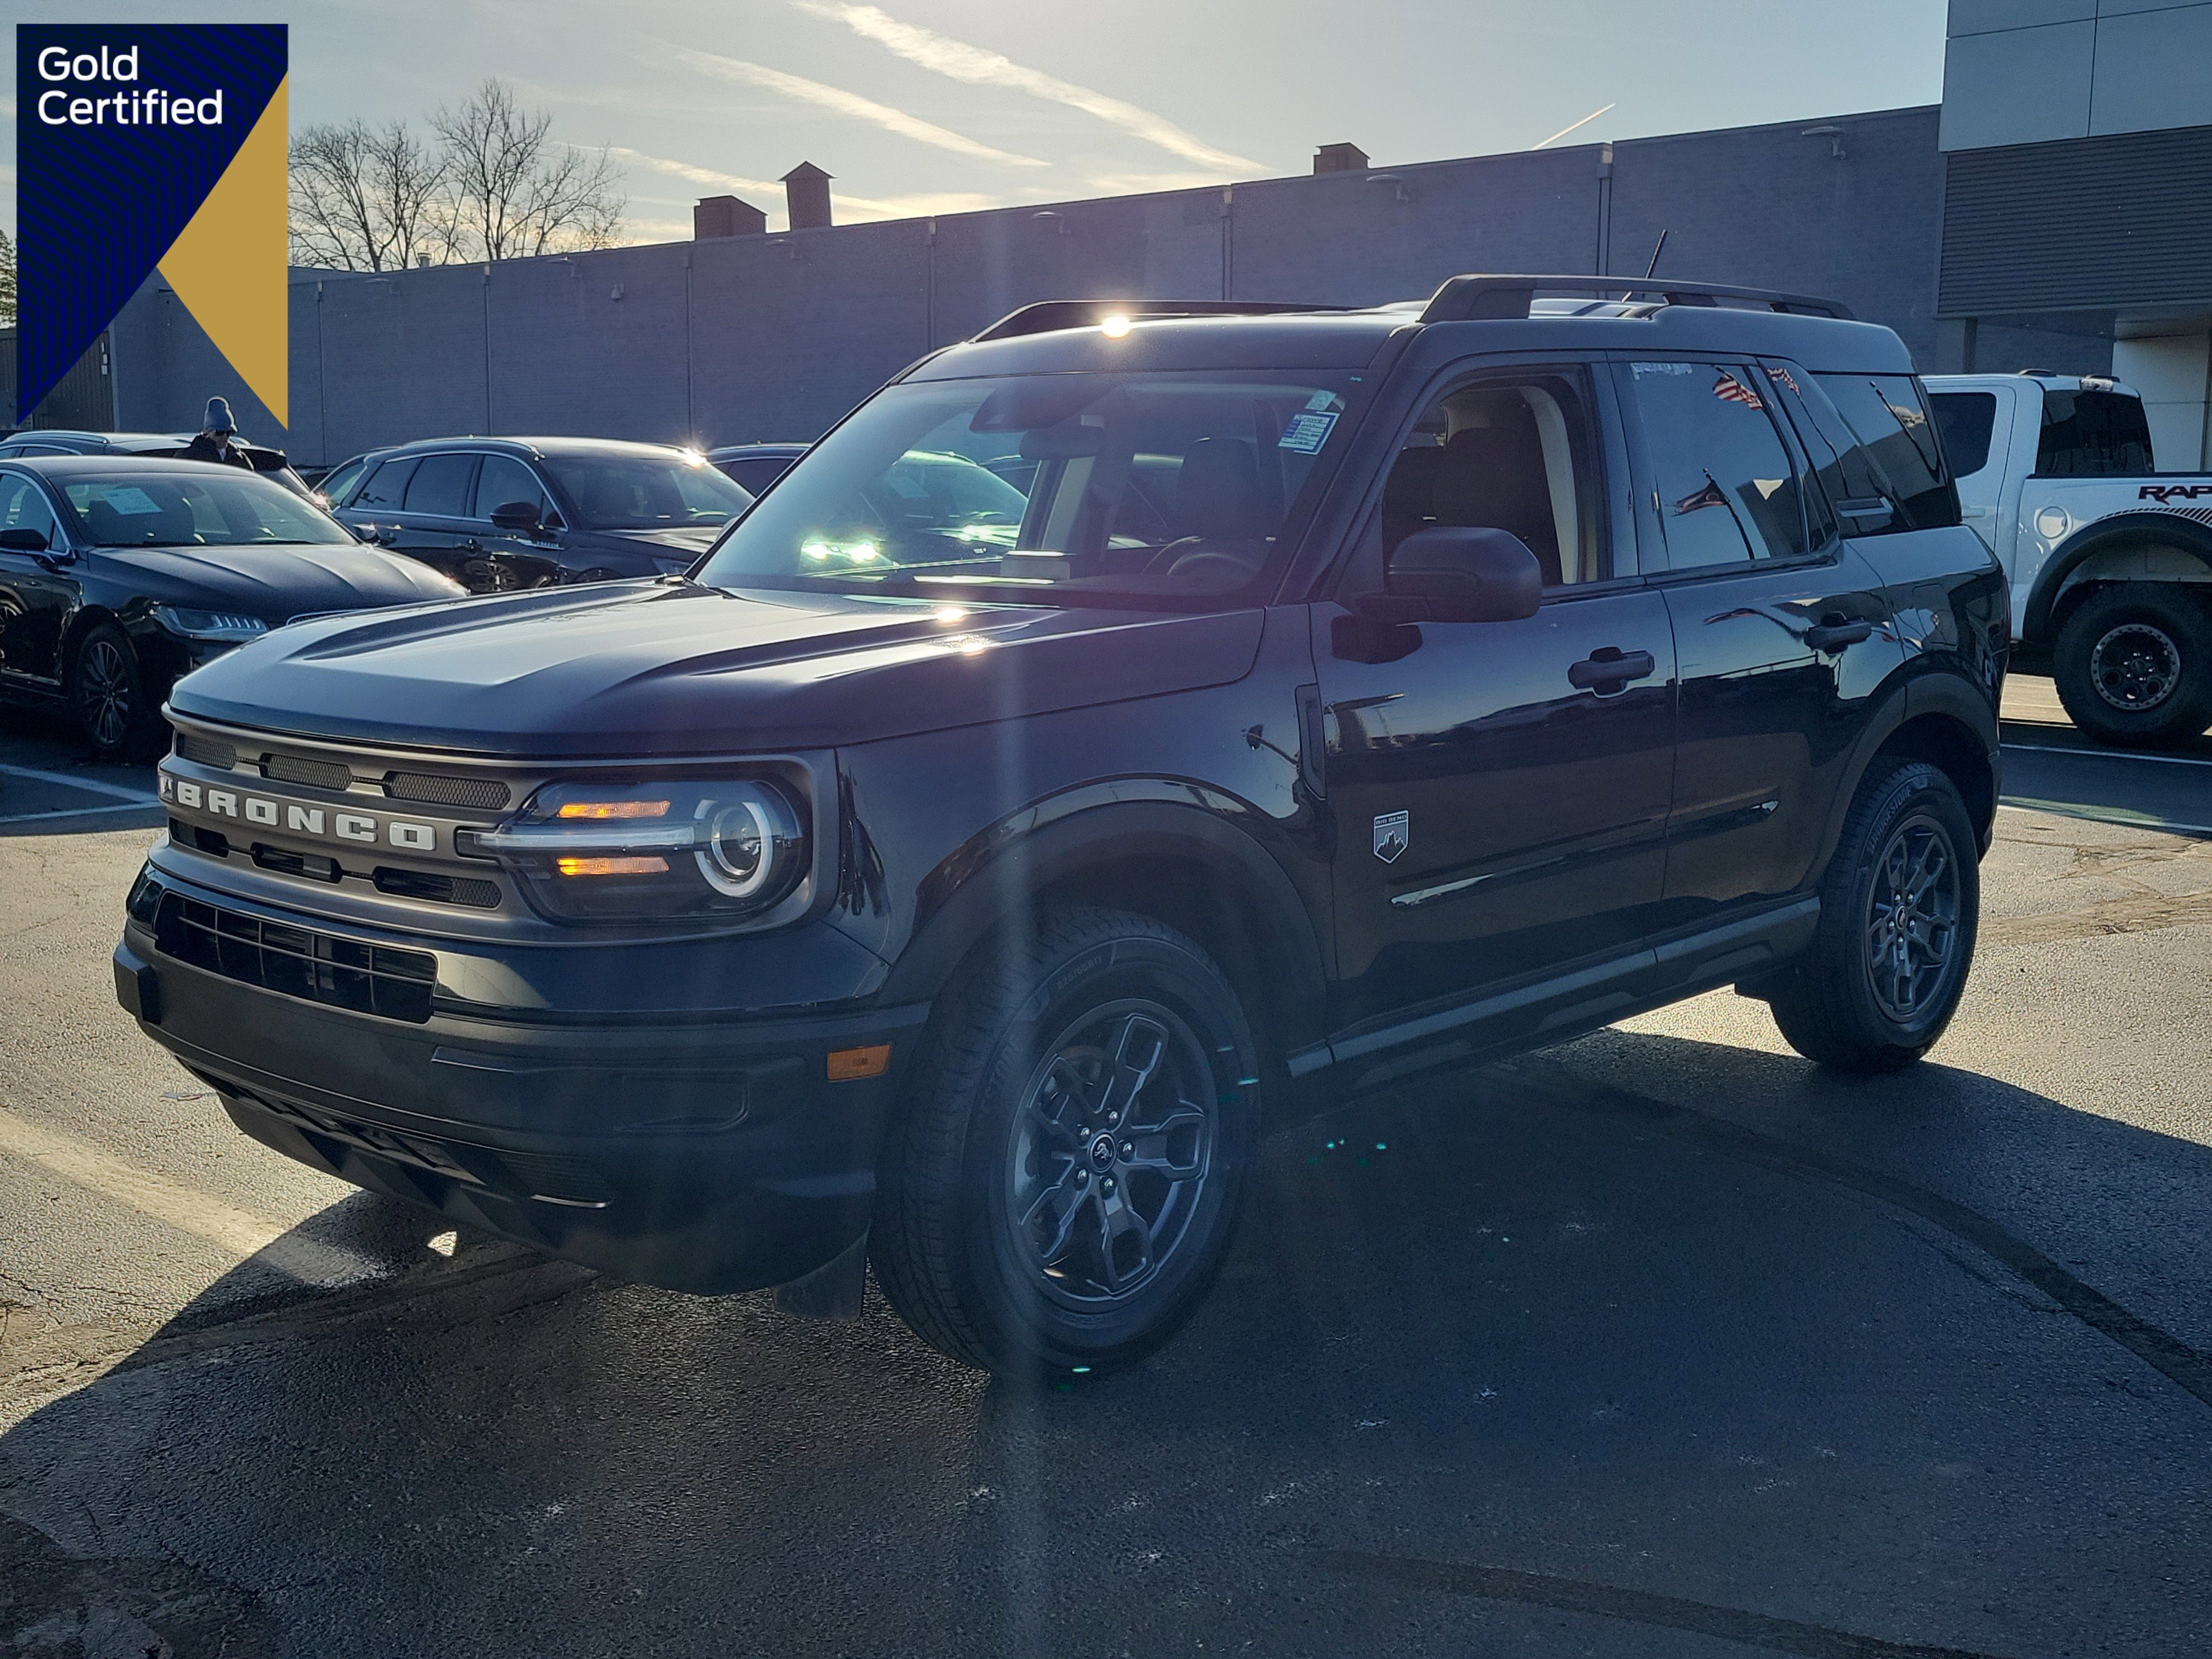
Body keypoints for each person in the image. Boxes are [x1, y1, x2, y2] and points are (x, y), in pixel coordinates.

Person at [180, 397, 253, 469]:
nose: (225, 437)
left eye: (229, 432)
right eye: (220, 432)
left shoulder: (239, 457)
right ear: (208, 433)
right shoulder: (189, 457)